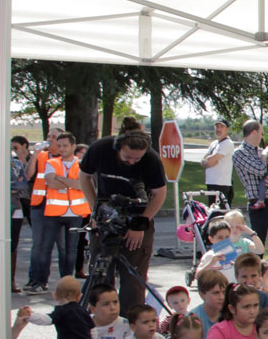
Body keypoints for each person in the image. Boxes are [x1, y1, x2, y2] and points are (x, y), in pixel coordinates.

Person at [78, 118, 168, 311]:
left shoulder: (151, 159)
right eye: (127, 157)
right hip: (105, 218)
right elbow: (84, 177)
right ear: (118, 146)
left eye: (137, 159)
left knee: (133, 284)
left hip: (137, 219)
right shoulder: (100, 149)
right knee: (101, 281)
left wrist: (140, 223)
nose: (132, 162)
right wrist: (95, 209)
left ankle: (131, 325)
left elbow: (160, 193)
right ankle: (102, 323)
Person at [26, 131, 88, 293]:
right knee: (46, 247)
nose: (61, 149)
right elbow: (50, 184)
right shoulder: (52, 162)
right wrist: (70, 183)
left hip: (74, 213)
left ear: (73, 146)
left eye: (65, 145)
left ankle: (67, 283)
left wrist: (61, 178)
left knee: (70, 250)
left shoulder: (81, 163)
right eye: (59, 146)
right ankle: (40, 281)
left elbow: (81, 185)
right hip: (53, 212)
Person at [233, 121, 268, 251]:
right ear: (254, 132)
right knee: (259, 246)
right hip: (259, 206)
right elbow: (260, 169)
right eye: (261, 133)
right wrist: (264, 156)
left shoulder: (263, 151)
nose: (262, 137)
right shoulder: (240, 153)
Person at [7, 134, 35, 282]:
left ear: (24, 146)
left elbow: (24, 181)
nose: (14, 150)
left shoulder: (32, 158)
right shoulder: (11, 162)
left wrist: (15, 184)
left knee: (34, 231)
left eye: (16, 147)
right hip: (18, 200)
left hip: (29, 198)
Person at [202, 119, 236, 207]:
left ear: (227, 129)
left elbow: (211, 160)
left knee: (221, 213)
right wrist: (208, 162)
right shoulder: (214, 144)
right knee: (212, 211)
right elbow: (204, 161)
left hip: (221, 184)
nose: (219, 129)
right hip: (211, 182)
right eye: (217, 126)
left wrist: (208, 161)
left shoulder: (227, 143)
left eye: (222, 127)